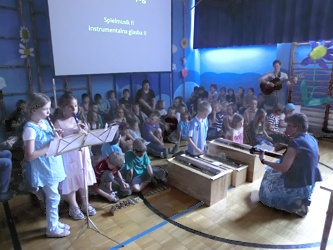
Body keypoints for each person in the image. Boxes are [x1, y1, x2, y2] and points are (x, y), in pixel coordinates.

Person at [22, 93, 69, 237]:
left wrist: (56, 136)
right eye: (45, 109)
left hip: (53, 165)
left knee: (55, 197)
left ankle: (54, 223)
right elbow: (29, 155)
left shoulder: (44, 122)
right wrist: (48, 146)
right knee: (53, 198)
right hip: (44, 169)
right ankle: (52, 229)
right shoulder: (30, 129)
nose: (49, 112)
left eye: (49, 109)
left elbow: (50, 140)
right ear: (33, 110)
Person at [259, 113, 322, 217]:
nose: (286, 128)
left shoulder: (295, 143)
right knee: (275, 167)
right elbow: (317, 157)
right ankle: (302, 198)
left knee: (268, 178)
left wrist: (264, 160)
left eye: (289, 125)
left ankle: (296, 202)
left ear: (298, 127)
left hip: (298, 183)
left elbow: (284, 168)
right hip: (310, 182)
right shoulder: (312, 139)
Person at [54, 93, 97, 220]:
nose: (74, 110)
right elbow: (58, 142)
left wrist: (86, 130)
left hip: (82, 154)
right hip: (69, 157)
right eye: (70, 107)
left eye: (76, 106)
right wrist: (72, 132)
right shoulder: (58, 123)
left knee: (83, 179)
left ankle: (85, 203)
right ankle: (73, 206)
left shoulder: (77, 119)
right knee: (71, 181)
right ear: (62, 108)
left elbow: (86, 136)